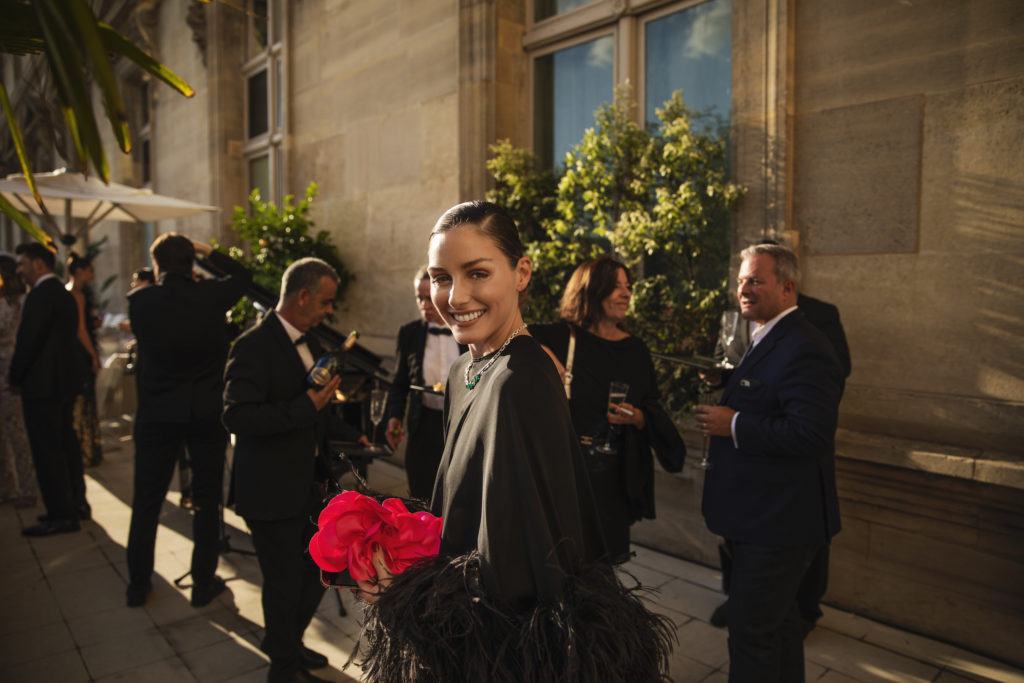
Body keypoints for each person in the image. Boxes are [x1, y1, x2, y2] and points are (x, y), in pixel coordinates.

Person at [352, 201, 674, 681]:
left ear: (521, 272)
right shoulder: (467, 368)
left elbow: (517, 584)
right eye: (441, 277)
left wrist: (400, 596)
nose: (455, 296)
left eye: (477, 273)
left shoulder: (520, 381)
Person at [696, 243, 843, 683]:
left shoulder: (805, 345)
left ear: (788, 287)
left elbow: (810, 433)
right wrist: (730, 382)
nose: (744, 289)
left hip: (779, 523)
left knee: (752, 633)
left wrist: (734, 422)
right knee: (778, 629)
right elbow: (774, 394)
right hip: (759, 516)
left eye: (756, 280)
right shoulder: (768, 336)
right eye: (741, 280)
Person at [224, 257, 369, 683]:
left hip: (309, 484)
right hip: (268, 489)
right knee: (284, 580)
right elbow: (237, 418)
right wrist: (304, 406)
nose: (329, 311)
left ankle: (287, 642)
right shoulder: (251, 346)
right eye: (324, 302)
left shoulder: (312, 341)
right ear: (302, 296)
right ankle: (282, 668)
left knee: (317, 571)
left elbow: (318, 411)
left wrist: (351, 433)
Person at [530, 255, 685, 563]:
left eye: (628, 286)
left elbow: (650, 404)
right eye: (616, 286)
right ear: (591, 290)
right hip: (566, 476)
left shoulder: (635, 350)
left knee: (602, 568)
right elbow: (507, 334)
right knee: (561, 561)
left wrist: (639, 417)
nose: (626, 294)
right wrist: (544, 353)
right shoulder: (562, 338)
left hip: (612, 480)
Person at [125, 234, 251, 608]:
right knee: (207, 498)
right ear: (191, 263)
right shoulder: (211, 296)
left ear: (158, 265)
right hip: (203, 413)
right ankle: (202, 581)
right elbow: (243, 275)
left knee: (146, 500)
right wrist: (208, 251)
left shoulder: (140, 302)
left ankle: (137, 583)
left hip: (157, 415)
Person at [8, 242, 88, 536]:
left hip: (43, 387)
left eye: (22, 264)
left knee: (48, 451)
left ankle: (61, 513)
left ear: (38, 265)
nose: (19, 270)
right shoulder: (64, 295)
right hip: (64, 383)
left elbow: (28, 342)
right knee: (66, 445)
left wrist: (14, 377)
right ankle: (76, 504)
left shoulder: (41, 296)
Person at [383, 266, 465, 500]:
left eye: (429, 298)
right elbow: (399, 383)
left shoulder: (466, 329)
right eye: (419, 298)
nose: (424, 305)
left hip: (459, 423)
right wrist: (394, 417)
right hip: (423, 424)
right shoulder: (409, 333)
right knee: (421, 493)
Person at [0, 254, 37, 509]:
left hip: (8, 368)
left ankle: (25, 488)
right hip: (8, 364)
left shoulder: (15, 303)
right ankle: (11, 487)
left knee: (15, 431)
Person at [66, 251, 103, 468]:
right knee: (85, 401)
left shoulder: (69, 293)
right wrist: (93, 355)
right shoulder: (77, 295)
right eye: (89, 270)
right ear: (80, 271)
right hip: (81, 354)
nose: (92, 274)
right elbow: (80, 329)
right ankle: (86, 449)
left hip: (74, 354)